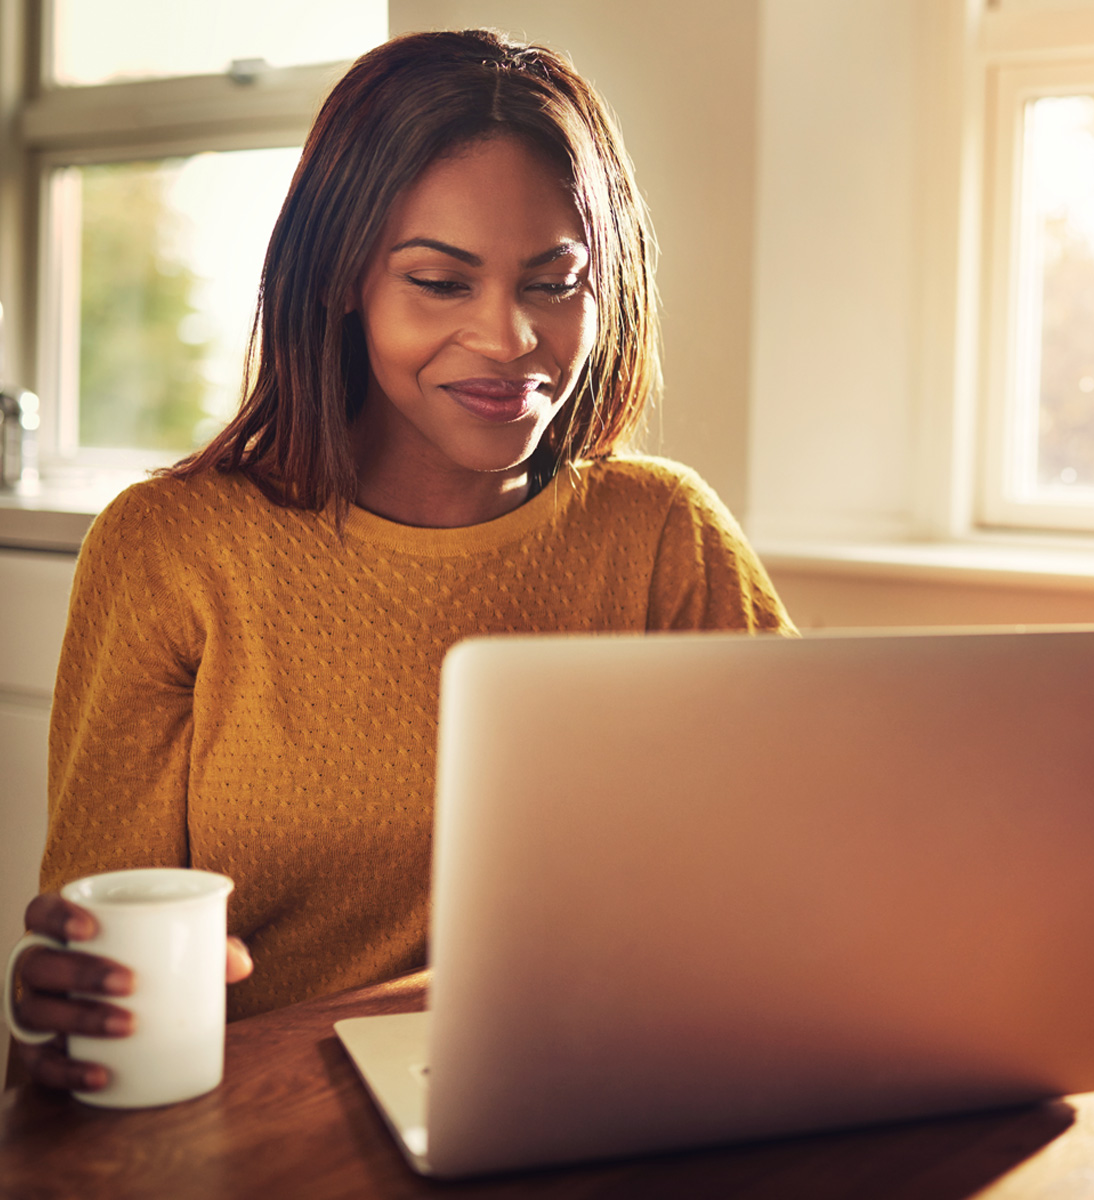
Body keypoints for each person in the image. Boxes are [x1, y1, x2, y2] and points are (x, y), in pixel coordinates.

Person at [7, 29, 794, 1093]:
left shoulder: (664, 537)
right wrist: (70, 1010)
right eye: (440, 282)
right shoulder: (172, 549)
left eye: (555, 283)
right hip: (261, 1130)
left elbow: (808, 867)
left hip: (590, 1099)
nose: (510, 338)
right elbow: (96, 969)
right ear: (341, 278)